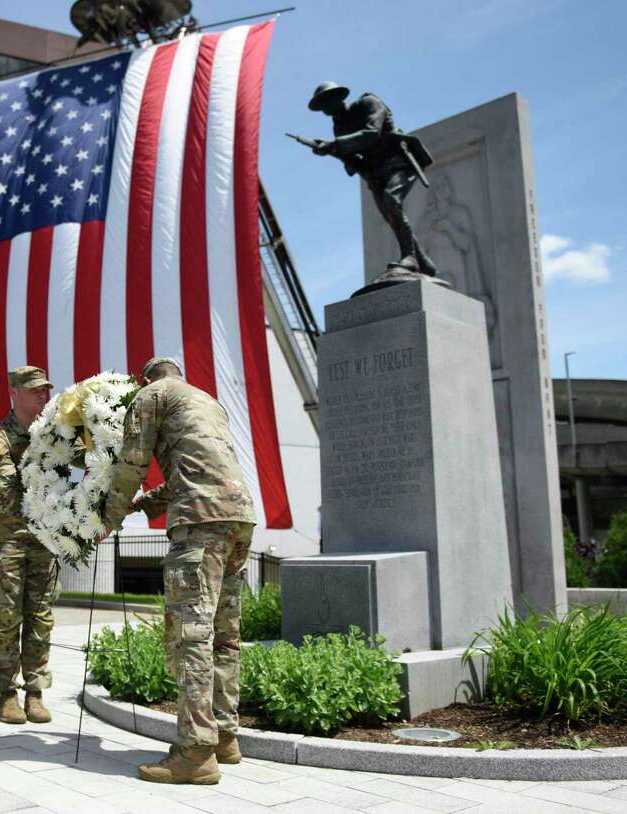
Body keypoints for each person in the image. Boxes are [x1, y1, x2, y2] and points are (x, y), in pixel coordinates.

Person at [101, 357, 256, 784]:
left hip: (199, 525)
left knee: (192, 635)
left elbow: (131, 463)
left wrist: (108, 517)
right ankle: (225, 737)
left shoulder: (151, 396)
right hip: (239, 518)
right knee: (225, 635)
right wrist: (145, 504)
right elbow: (194, 472)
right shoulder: (205, 400)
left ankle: (195, 752)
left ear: (145, 379)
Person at [294, 82, 438, 277]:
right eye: (321, 105)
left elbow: (371, 134)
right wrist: (329, 151)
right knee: (391, 216)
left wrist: (334, 145)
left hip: (397, 162)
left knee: (391, 201)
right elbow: (351, 158)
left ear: (339, 96)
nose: (326, 107)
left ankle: (410, 258)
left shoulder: (368, 103)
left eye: (327, 101)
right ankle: (422, 262)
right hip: (376, 172)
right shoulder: (339, 126)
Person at [0, 365, 58, 725]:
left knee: (41, 618)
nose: (43, 395)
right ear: (14, 393)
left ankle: (36, 692)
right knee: (7, 618)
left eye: (45, 389)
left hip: (42, 541)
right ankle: (7, 693)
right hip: (8, 543)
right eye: (35, 390)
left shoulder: (55, 437)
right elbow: (8, 498)